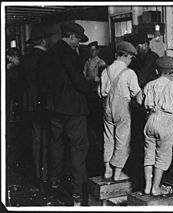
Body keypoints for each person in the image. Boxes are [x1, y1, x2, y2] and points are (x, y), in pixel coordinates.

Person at [41, 22, 96, 202]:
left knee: (56, 144)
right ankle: (77, 190)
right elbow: (80, 84)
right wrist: (91, 83)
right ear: (71, 36)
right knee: (78, 148)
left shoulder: (49, 54)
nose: (77, 45)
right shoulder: (70, 55)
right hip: (73, 110)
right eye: (77, 41)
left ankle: (54, 182)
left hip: (54, 109)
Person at [136, 56, 173, 196]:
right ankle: (155, 188)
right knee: (162, 155)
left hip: (150, 120)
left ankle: (147, 186)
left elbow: (139, 99)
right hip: (165, 123)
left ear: (157, 71)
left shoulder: (149, 84)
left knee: (149, 154)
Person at [98, 41, 140, 181]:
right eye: (130, 58)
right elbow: (136, 94)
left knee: (108, 138)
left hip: (107, 108)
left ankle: (107, 170)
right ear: (125, 56)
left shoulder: (106, 70)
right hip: (122, 108)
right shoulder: (129, 73)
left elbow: (101, 93)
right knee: (122, 139)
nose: (130, 61)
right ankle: (117, 173)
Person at [19, 32, 52, 183]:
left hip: (28, 103)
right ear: (44, 41)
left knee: (35, 137)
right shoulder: (45, 58)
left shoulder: (25, 58)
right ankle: (45, 174)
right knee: (46, 139)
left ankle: (37, 173)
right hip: (43, 102)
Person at [6, 48, 21, 120]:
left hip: (14, 92)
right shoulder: (10, 67)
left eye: (10, 57)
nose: (9, 59)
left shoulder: (12, 67)